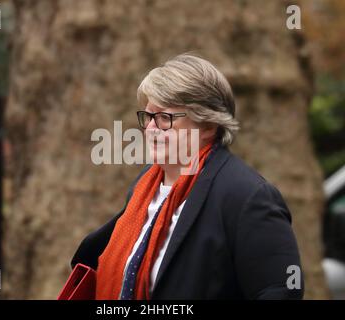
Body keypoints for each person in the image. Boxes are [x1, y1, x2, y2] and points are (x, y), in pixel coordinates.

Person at [71, 53, 304, 300]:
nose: (150, 128)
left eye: (164, 118)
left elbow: (281, 291)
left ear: (208, 125)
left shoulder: (248, 196)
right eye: (148, 116)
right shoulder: (144, 186)